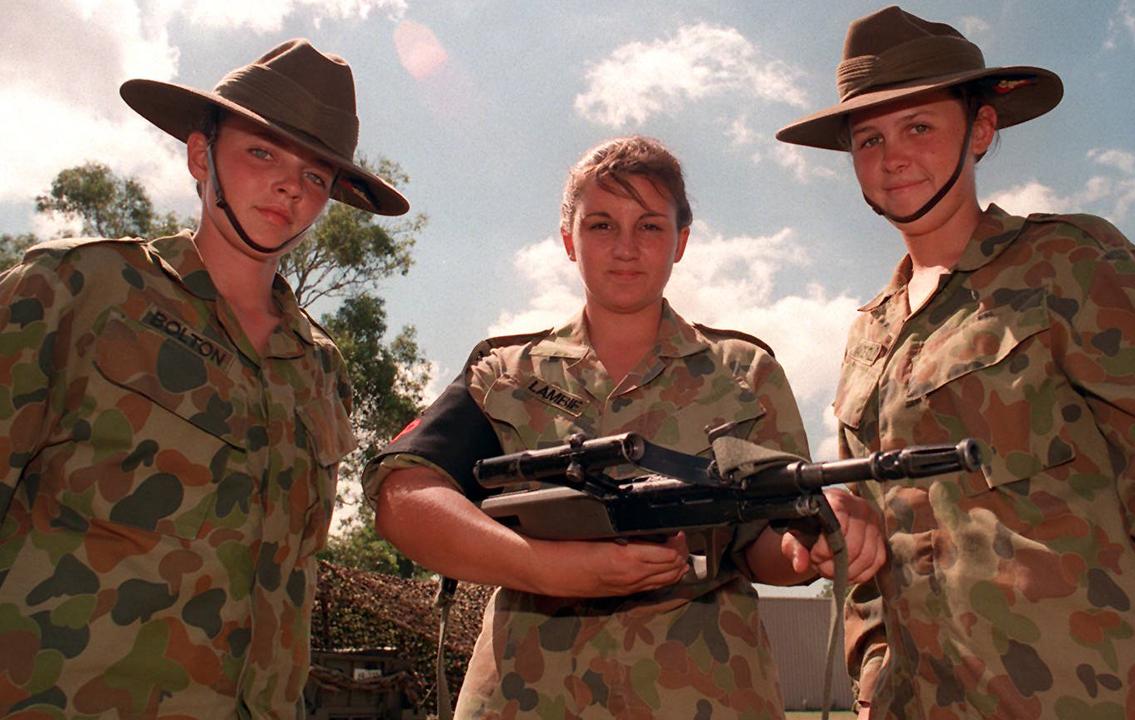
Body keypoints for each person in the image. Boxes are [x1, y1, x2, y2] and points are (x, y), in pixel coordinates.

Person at [775, 7, 1135, 719]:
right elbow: (870, 551)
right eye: (869, 139)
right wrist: (872, 678)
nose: (892, 157)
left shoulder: (1073, 263)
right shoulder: (869, 335)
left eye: (919, 126)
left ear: (981, 131)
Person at [365, 135, 884, 718]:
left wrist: (807, 547)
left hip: (705, 695)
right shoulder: (504, 374)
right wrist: (553, 569)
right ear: (569, 240)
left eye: (650, 227)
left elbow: (764, 543)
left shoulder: (744, 375)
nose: (626, 248)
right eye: (602, 226)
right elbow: (403, 496)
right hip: (527, 698)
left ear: (681, 242)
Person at [0, 40, 409, 717]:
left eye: (315, 176)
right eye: (262, 153)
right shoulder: (76, 291)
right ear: (200, 156)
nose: (289, 186)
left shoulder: (319, 366)